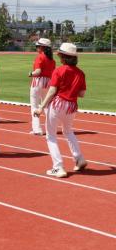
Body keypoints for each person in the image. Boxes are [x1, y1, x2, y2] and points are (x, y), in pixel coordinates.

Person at [34, 43, 87, 178]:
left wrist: (41, 107)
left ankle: (58, 167)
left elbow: (52, 91)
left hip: (58, 104)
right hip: (71, 106)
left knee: (51, 136)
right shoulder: (80, 73)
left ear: (63, 57)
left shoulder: (59, 70)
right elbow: (82, 94)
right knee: (68, 131)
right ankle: (79, 158)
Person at [29, 38, 56, 135]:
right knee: (46, 106)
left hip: (38, 82)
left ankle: (37, 129)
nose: (37, 48)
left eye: (38, 46)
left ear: (42, 47)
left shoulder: (40, 57)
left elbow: (38, 72)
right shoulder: (52, 60)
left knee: (34, 106)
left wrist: (30, 74)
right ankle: (51, 128)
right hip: (48, 83)